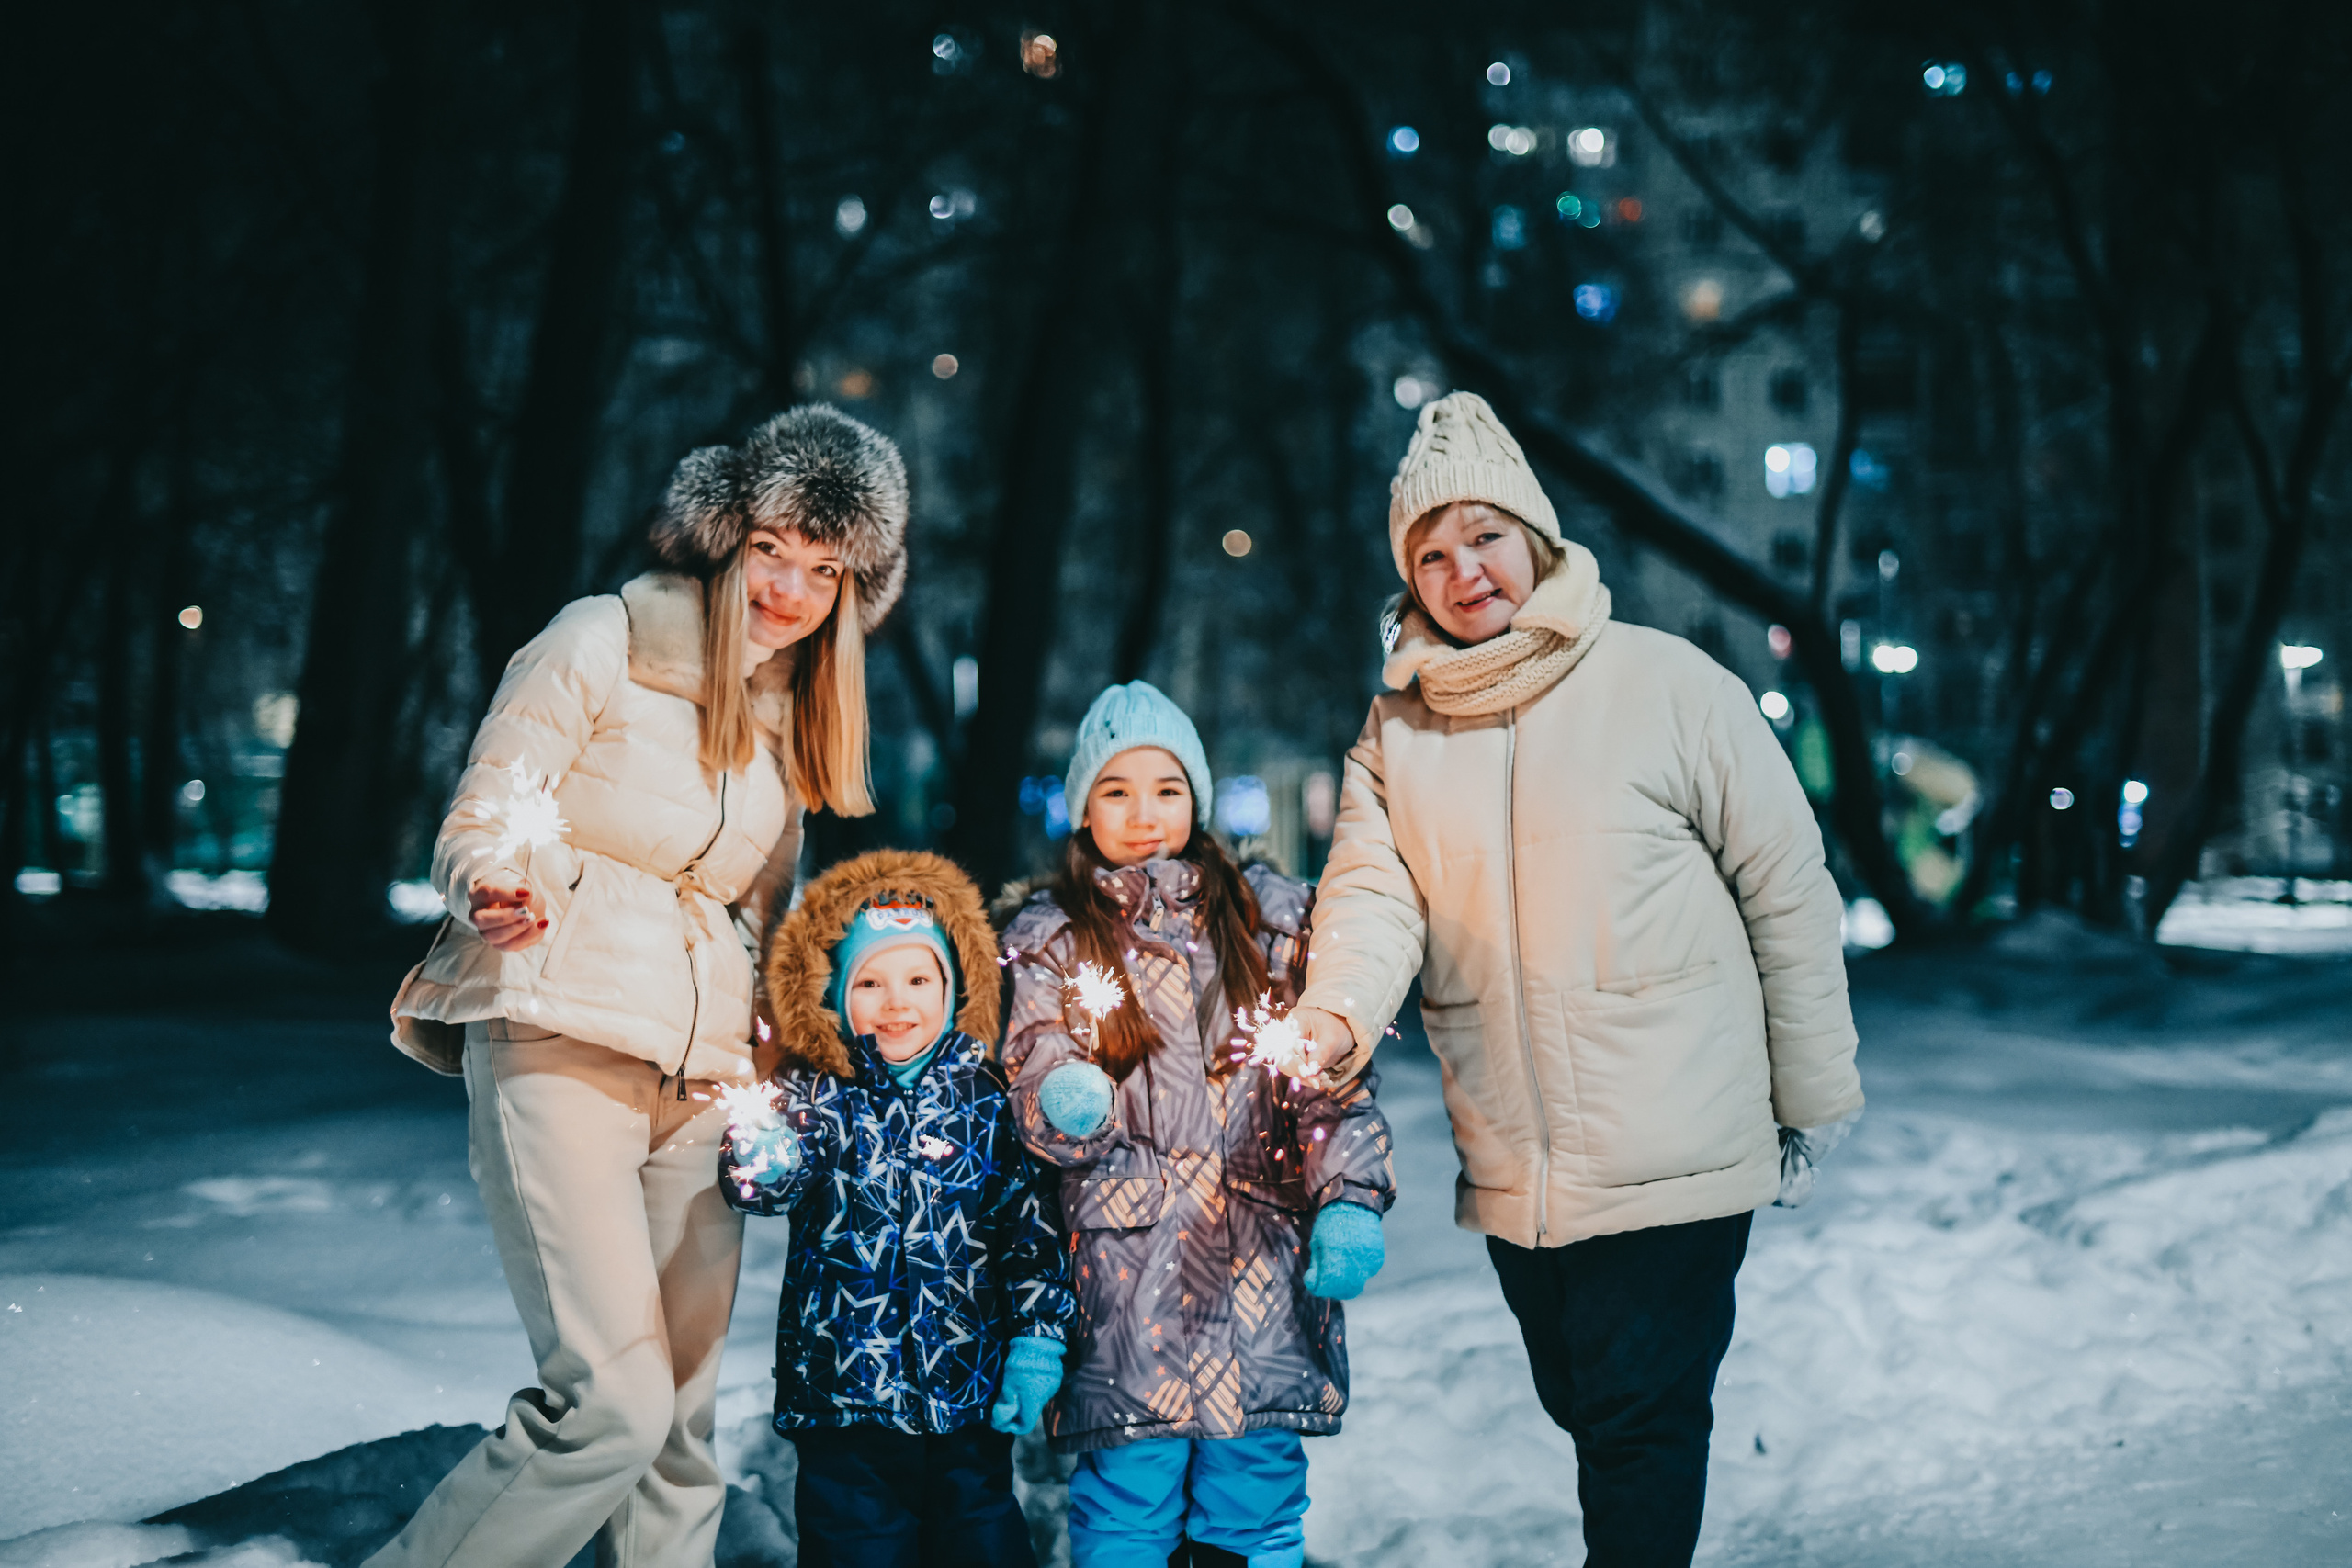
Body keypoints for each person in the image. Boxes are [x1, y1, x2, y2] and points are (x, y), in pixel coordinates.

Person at [1286, 392, 1863, 1568]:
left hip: (1674, 1140)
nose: (1463, 573)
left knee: (1638, 1420)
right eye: (1431, 555)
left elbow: (1787, 890)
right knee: (1586, 1400)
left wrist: (1809, 1096)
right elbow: (1371, 895)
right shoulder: (1399, 733)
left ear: (1535, 538)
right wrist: (1335, 1013)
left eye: (1484, 537)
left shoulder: (1669, 687)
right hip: (1517, 1157)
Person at [374, 404, 910, 1568]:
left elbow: (758, 921)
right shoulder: (601, 637)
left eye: (825, 570)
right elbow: (485, 812)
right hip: (557, 1031)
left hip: (703, 1086)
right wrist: (496, 884)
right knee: (608, 1408)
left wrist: (791, 1036)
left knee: (677, 1434)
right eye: (771, 549)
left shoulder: (787, 717)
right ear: (722, 538)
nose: (790, 589)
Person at [1000, 681, 1396, 1568]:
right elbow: (1032, 1061)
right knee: (1127, 1497)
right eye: (1117, 790)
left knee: (1254, 1494)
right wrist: (1064, 1092)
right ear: (1083, 806)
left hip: (1261, 1269)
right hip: (1124, 1285)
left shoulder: (1270, 922)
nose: (1144, 812)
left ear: (1199, 798)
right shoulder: (1050, 938)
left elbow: (1328, 1079)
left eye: (1167, 788)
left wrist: (1350, 1196)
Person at [723, 848, 1074, 1567]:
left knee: (985, 1549)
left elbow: (1028, 1230)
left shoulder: (984, 1098)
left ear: (954, 988)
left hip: (967, 1402)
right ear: (833, 995)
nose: (896, 1002)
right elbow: (761, 1187)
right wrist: (762, 1151)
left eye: (919, 979)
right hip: (846, 1409)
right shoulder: (816, 1096)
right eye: (870, 982)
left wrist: (1037, 1340)